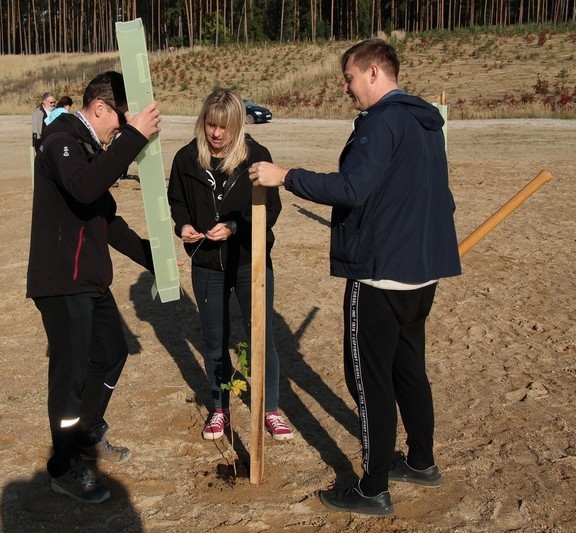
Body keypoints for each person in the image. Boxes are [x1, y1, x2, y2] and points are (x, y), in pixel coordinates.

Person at [249, 38, 461, 516]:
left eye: (348, 78)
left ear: (373, 73)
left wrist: (285, 175)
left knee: (369, 380)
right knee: (409, 369)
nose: (345, 88)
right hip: (421, 274)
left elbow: (352, 188)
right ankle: (422, 462)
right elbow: (439, 198)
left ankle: (372, 488)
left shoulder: (384, 122)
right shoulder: (425, 122)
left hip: (381, 274)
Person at [26, 71, 161, 504]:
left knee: (111, 352)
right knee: (70, 378)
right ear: (100, 107)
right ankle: (63, 466)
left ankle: (85, 433)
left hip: (88, 279)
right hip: (61, 282)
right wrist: (134, 137)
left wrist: (155, 259)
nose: (121, 129)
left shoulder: (87, 147)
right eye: (120, 120)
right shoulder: (59, 141)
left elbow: (106, 217)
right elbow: (84, 189)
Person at [167, 89, 294, 442]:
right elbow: (177, 201)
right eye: (210, 125)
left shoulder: (257, 157)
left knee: (260, 338)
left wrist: (238, 227)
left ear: (237, 126)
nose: (216, 134)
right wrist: (183, 227)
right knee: (214, 341)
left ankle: (270, 409)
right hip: (206, 263)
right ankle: (219, 409)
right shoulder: (186, 159)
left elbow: (272, 209)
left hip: (249, 261)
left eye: (224, 127)